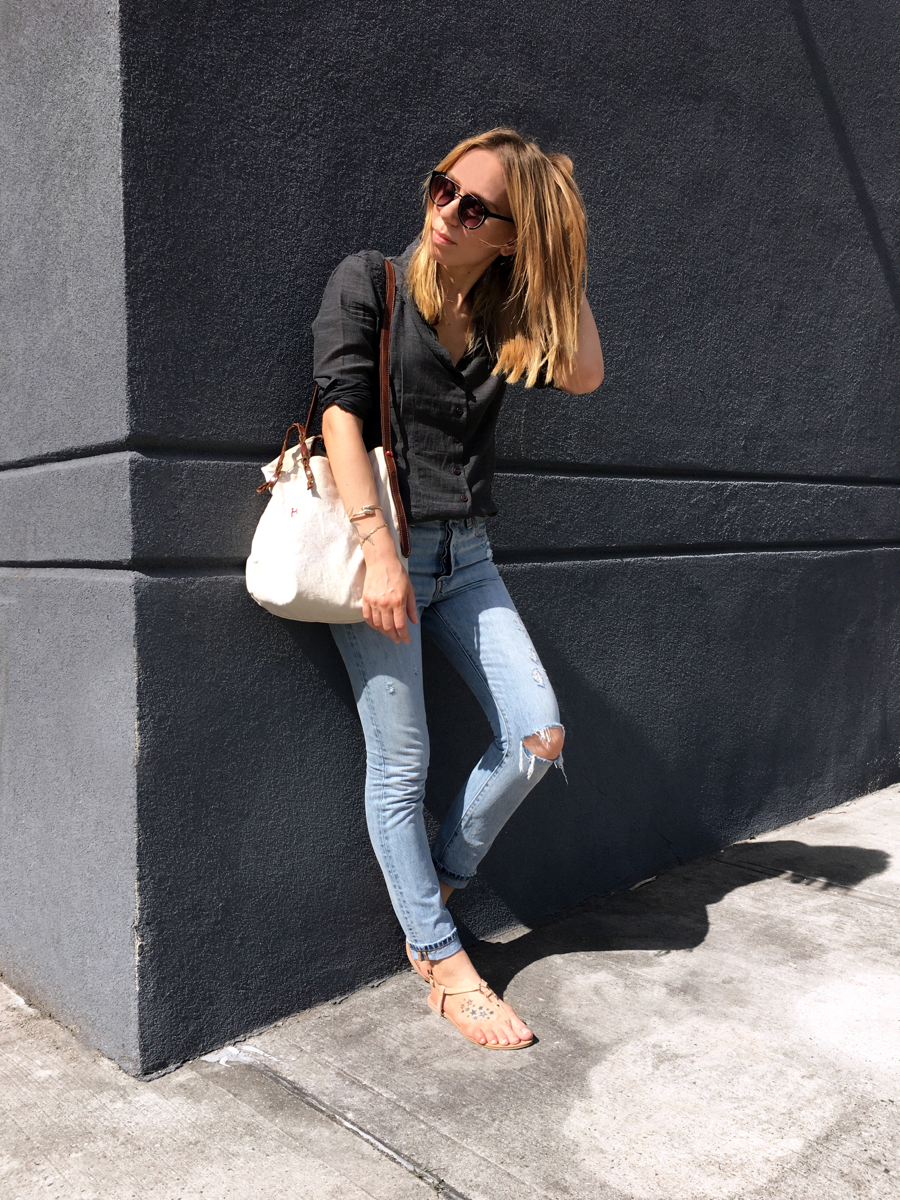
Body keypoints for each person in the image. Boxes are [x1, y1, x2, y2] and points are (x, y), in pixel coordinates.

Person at [313, 127, 604, 1049]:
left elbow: (587, 371)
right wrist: (380, 552)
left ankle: (433, 880)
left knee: (538, 736)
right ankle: (440, 958)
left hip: (469, 558)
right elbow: (340, 415)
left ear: (511, 238)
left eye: (475, 208)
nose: (446, 212)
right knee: (399, 765)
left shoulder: (506, 320)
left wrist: (565, 247)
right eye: (444, 188)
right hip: (383, 547)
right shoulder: (372, 281)